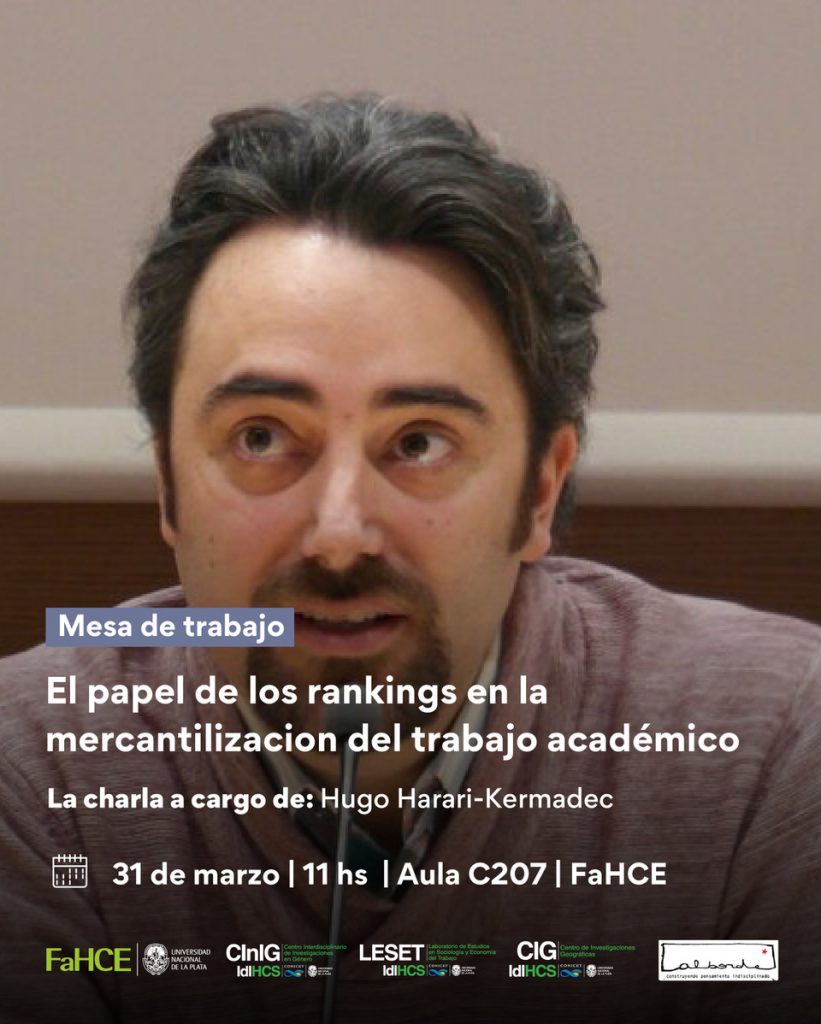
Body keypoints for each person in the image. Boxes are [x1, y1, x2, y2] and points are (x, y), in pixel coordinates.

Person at [1, 94, 819, 1024]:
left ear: (539, 491)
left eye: (420, 442)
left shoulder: (770, 751)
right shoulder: (32, 777)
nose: (339, 534)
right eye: (262, 436)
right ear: (167, 489)